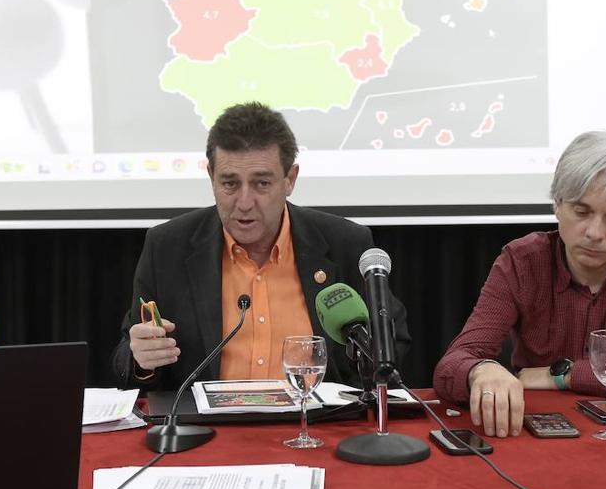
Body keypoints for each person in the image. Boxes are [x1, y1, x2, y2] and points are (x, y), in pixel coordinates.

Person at [111, 101, 408, 391]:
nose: (243, 203)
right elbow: (128, 357)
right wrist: (142, 360)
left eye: (261, 184)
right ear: (211, 177)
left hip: (315, 428)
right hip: (209, 435)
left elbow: (393, 344)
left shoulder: (345, 243)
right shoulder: (167, 247)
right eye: (229, 183)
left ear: (289, 179)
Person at [433, 130, 606, 439]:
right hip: (538, 436)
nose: (594, 232)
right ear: (557, 205)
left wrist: (563, 376)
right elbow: (450, 367)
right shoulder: (523, 261)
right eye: (581, 211)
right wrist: (480, 370)